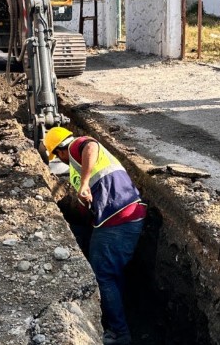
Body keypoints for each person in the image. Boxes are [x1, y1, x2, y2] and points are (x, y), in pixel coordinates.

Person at [43, 126, 146, 345]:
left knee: (104, 274)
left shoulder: (76, 146)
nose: (60, 160)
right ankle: (119, 325)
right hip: (121, 217)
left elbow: (91, 146)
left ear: (60, 150)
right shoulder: (75, 167)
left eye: (57, 156)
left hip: (118, 218)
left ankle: (119, 333)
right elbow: (85, 207)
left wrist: (84, 181)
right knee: (112, 272)